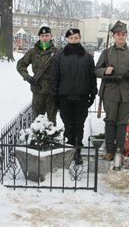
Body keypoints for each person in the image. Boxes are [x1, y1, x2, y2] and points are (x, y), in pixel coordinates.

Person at [95, 21, 129, 162]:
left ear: (126, 36)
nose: (121, 37)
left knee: (122, 123)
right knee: (110, 122)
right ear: (113, 36)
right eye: (118, 34)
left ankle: (119, 152)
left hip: (127, 93)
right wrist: (105, 71)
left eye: (123, 34)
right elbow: (96, 71)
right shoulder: (106, 53)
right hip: (110, 93)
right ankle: (109, 151)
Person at [50, 28, 97, 165]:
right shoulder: (59, 56)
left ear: (80, 38)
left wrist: (93, 93)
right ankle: (68, 150)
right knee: (68, 125)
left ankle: (77, 152)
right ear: (67, 40)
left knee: (79, 126)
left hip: (82, 97)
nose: (74, 40)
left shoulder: (87, 57)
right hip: (65, 97)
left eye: (76, 38)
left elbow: (91, 77)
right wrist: (55, 95)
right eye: (71, 38)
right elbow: (54, 77)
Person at [17, 26, 58, 124]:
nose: (44, 38)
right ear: (39, 37)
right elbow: (21, 65)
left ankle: (51, 139)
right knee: (37, 120)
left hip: (52, 91)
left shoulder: (57, 52)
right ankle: (37, 139)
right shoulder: (33, 52)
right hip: (37, 89)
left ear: (51, 36)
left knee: (51, 121)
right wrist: (27, 77)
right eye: (42, 35)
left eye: (47, 35)